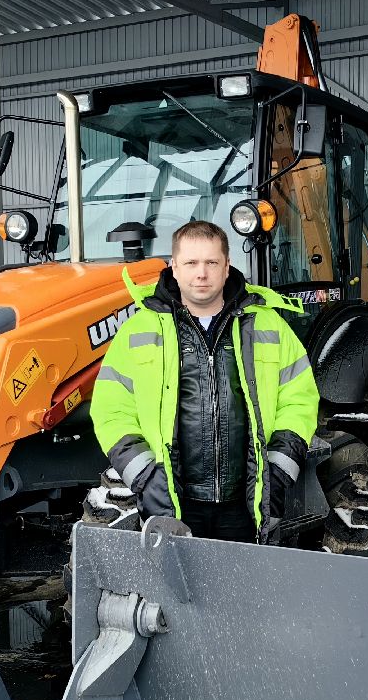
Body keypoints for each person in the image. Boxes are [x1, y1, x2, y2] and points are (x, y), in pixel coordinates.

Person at [90, 220, 318, 542]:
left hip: (246, 504)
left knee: (246, 589)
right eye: (191, 263)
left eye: (211, 262)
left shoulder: (268, 325)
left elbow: (300, 399)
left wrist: (278, 470)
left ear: (227, 267)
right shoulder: (139, 330)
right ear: (174, 268)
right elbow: (112, 411)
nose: (201, 273)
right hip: (175, 504)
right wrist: (145, 477)